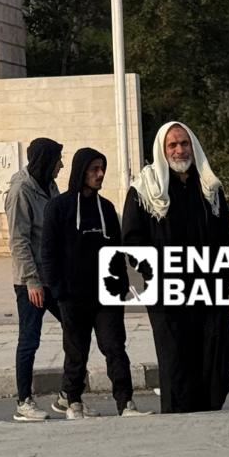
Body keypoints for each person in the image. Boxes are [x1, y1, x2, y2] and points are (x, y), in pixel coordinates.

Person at [121, 122, 229, 414]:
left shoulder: (209, 186)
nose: (179, 150)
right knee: (177, 359)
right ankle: (179, 420)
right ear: (162, 150)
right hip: (168, 291)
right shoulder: (145, 189)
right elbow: (132, 239)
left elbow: (226, 234)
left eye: (184, 143)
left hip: (208, 288)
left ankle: (208, 410)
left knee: (220, 352)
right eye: (172, 145)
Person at [40, 147, 148, 418]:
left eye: (102, 169)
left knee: (114, 347)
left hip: (106, 295)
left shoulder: (107, 209)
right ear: (81, 172)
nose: (100, 174)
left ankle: (126, 404)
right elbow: (48, 252)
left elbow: (117, 251)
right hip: (72, 295)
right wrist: (59, 290)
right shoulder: (59, 207)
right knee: (76, 350)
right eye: (94, 169)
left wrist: (121, 286)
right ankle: (73, 401)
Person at [6, 136, 65, 421]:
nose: (61, 166)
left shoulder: (48, 184)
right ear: (45, 162)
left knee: (75, 328)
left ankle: (68, 395)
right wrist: (32, 281)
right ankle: (24, 401)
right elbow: (18, 240)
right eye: (57, 161)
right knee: (29, 339)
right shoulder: (21, 190)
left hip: (53, 275)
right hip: (31, 281)